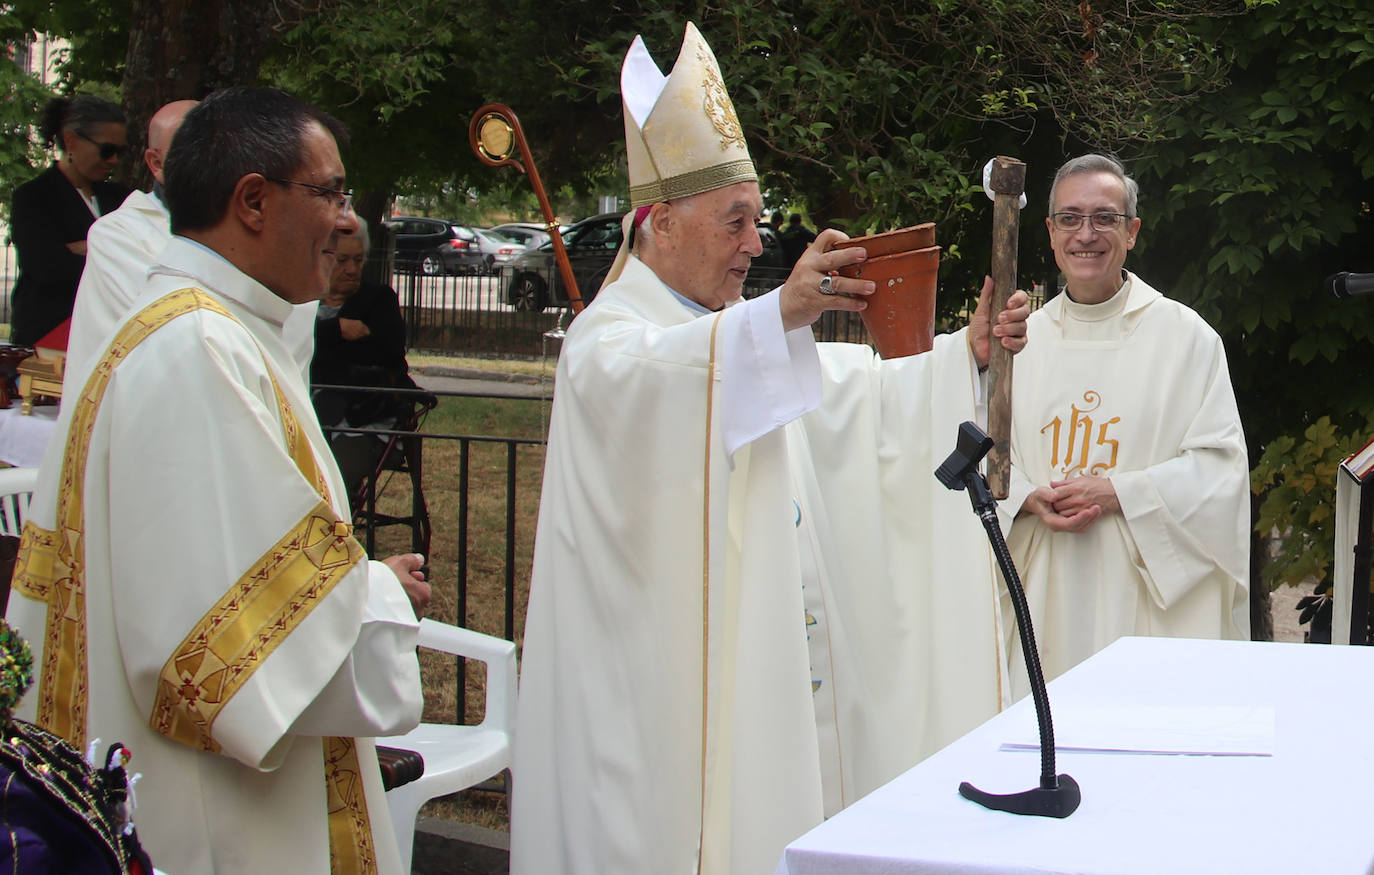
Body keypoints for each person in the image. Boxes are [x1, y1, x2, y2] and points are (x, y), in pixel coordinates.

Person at [512, 22, 1029, 875]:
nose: (757, 244)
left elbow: (836, 392)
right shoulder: (608, 343)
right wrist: (780, 314)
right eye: (737, 223)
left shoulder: (714, 333)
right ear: (661, 223)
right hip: (653, 718)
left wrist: (959, 355)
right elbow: (666, 382)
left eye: (756, 221)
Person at [7, 86, 429, 875]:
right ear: (253, 201)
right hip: (211, 813)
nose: (346, 220)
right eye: (332, 191)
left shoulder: (211, 327)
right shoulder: (198, 349)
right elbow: (219, 643)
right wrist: (377, 596)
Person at [1003, 153, 1249, 699]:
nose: (1085, 234)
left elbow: (1221, 472)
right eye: (1069, 218)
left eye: (1104, 218)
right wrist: (1023, 497)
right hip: (1045, 585)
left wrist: (1120, 491)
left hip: (1144, 590)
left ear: (1132, 231)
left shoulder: (1186, 339)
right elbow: (985, 461)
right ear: (1049, 231)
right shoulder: (1019, 345)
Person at [65, 98, 319, 395]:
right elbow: (182, 334)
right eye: (193, 154)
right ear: (156, 164)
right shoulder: (120, 236)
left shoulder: (251, 231)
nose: (213, 167)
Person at [311, 224, 420, 508]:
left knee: (329, 478)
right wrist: (336, 330)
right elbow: (293, 349)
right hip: (311, 417)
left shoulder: (379, 300)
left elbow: (384, 353)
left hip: (367, 419)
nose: (351, 269)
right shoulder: (303, 302)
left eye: (358, 260)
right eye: (342, 260)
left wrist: (319, 338)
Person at [8, 95, 130, 347]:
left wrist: (87, 247)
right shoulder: (33, 198)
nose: (114, 161)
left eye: (120, 152)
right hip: (50, 339)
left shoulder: (122, 198)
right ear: (71, 140)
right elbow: (48, 270)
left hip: (107, 340)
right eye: (107, 150)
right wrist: (112, 249)